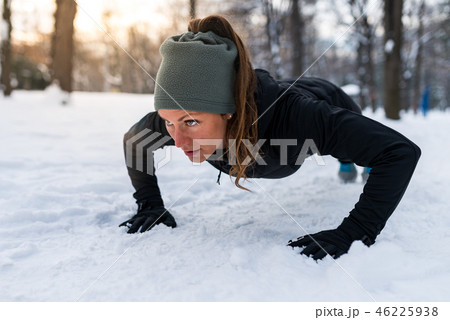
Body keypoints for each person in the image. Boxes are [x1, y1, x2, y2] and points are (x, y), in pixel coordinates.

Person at [119, 15, 421, 261]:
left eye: (192, 122)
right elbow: (136, 140)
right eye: (169, 122)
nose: (179, 141)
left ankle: (351, 164)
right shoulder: (183, 118)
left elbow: (398, 152)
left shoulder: (298, 118)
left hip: (326, 95)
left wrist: (355, 231)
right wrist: (150, 205)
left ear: (228, 111)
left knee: (352, 153)